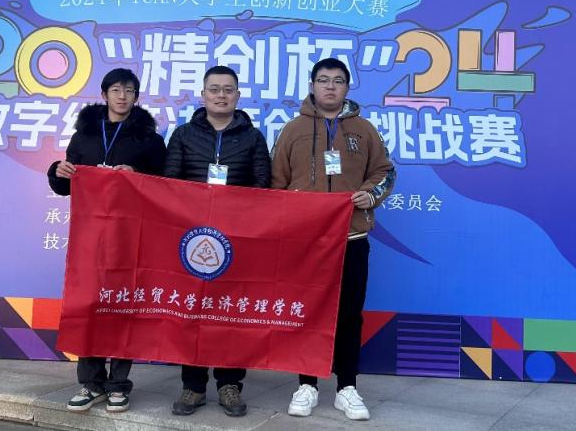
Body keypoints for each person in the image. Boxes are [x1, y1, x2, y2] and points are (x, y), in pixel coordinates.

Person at [271, 58, 395, 421]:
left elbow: (385, 171)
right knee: (306, 310)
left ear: (346, 88)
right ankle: (306, 384)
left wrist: (370, 194)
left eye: (337, 81)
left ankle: (347, 387)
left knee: (349, 313)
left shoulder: (364, 130)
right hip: (305, 241)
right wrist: (290, 209)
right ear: (312, 85)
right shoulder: (292, 130)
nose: (330, 86)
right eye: (323, 80)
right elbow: (276, 182)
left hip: (351, 237)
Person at [47, 68, 167, 413]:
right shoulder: (84, 135)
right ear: (104, 94)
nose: (122, 96)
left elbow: (164, 185)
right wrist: (57, 171)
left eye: (129, 90)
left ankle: (118, 384)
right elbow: (66, 184)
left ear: (136, 97)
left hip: (132, 237)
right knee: (88, 303)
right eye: (116, 89)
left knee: (123, 303)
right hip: (91, 237)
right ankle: (91, 383)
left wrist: (137, 177)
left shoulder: (148, 139)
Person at [164, 65, 271, 417]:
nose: (221, 95)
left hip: (237, 238)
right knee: (191, 310)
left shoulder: (253, 137)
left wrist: (236, 214)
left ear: (237, 96)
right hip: (192, 238)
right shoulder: (183, 134)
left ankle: (229, 385)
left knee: (231, 310)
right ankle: (193, 386)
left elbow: (262, 186)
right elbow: (170, 184)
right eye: (214, 89)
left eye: (228, 89)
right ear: (203, 95)